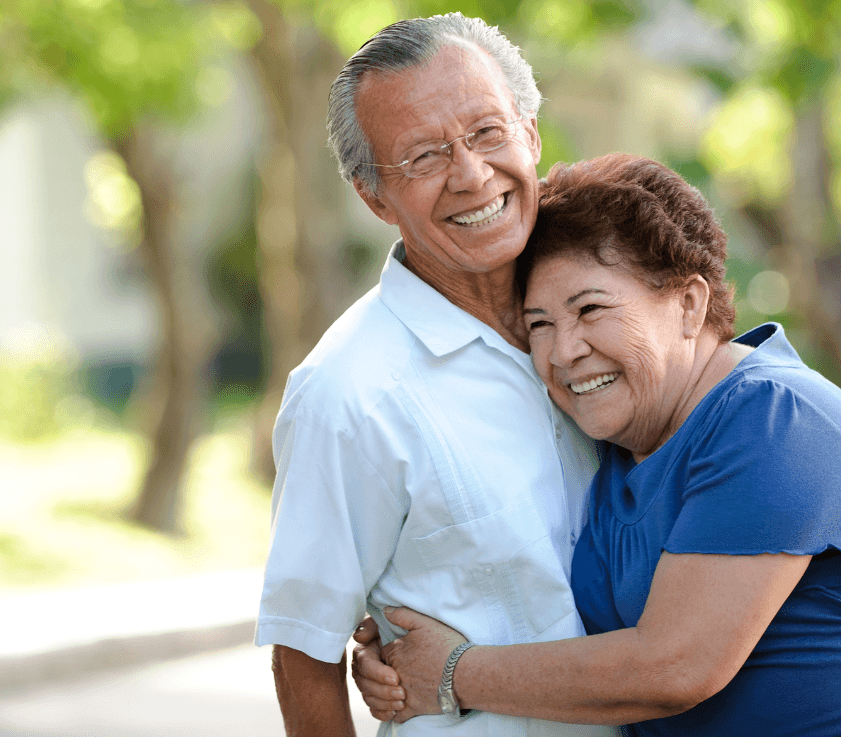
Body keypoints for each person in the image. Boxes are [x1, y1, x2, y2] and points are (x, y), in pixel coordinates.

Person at [351, 153, 841, 736]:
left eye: (590, 310)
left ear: (689, 304)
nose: (563, 352)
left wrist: (454, 673)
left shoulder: (774, 418)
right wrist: (402, 633)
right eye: (539, 325)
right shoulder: (617, 441)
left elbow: (673, 668)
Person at [254, 12, 616, 737]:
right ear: (372, 196)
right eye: (421, 157)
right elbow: (303, 649)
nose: (471, 175)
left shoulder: (606, 319)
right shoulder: (348, 392)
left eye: (487, 132)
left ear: (531, 135)